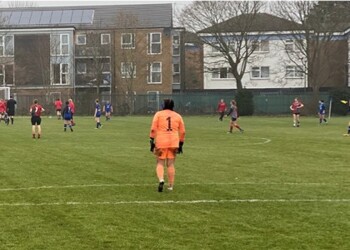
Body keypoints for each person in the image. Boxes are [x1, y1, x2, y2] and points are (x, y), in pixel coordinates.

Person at [149, 99, 186, 192]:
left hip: (161, 142)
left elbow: (153, 129)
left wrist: (151, 140)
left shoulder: (158, 114)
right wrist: (181, 143)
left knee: (160, 163)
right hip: (173, 142)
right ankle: (171, 185)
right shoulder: (178, 116)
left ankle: (161, 179)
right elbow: (183, 131)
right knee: (170, 164)